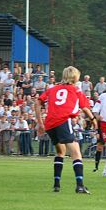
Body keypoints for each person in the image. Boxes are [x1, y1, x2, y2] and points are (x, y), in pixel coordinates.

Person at [35, 66, 97, 194]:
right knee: (76, 152)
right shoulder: (76, 90)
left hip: (50, 123)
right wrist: (93, 119)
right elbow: (85, 108)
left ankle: (56, 185)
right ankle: (80, 185)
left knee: (60, 151)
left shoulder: (53, 89)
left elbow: (37, 103)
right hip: (63, 121)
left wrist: (40, 123)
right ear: (75, 77)